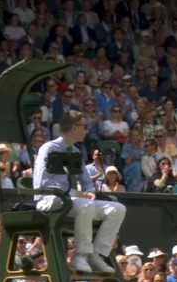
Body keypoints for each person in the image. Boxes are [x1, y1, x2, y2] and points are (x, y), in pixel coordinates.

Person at [33, 110, 127, 273]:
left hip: (72, 202)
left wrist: (89, 192)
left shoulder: (75, 152)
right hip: (49, 200)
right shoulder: (48, 149)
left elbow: (85, 182)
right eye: (84, 126)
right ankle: (80, 256)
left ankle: (97, 255)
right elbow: (45, 184)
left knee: (117, 209)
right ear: (74, 128)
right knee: (85, 206)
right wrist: (78, 194)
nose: (87, 130)